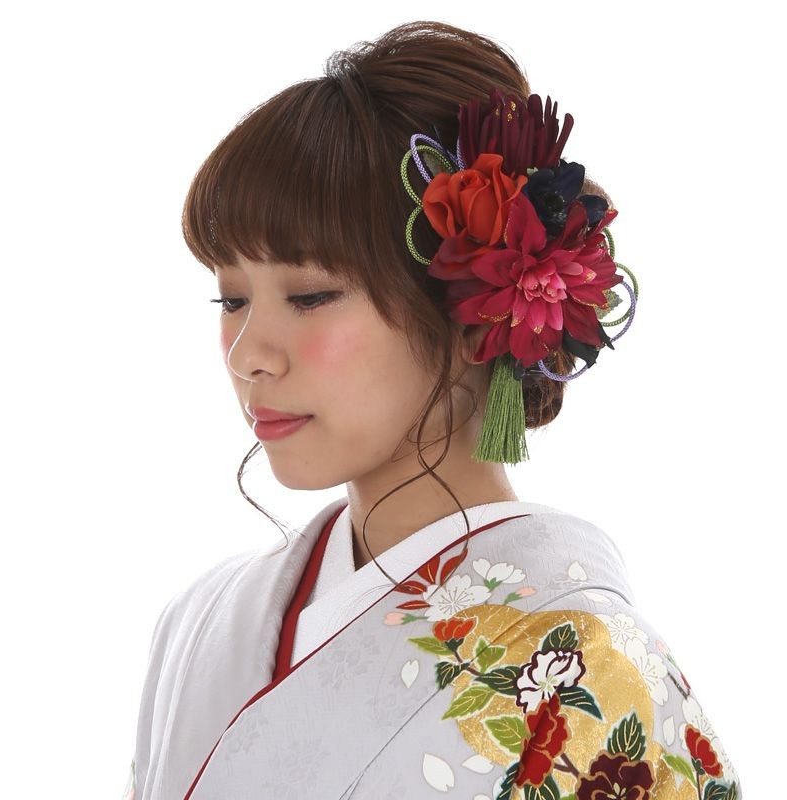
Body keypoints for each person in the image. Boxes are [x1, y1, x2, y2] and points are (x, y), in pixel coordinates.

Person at [124, 20, 742, 800]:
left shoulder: (591, 679)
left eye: (309, 296)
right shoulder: (198, 625)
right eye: (232, 298)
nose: (250, 353)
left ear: (472, 317)